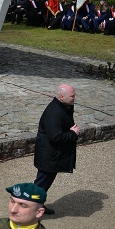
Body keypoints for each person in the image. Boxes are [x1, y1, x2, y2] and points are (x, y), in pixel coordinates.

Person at [33, 84, 79, 215]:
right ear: (61, 96)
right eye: (72, 96)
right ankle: (28, 210)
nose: (75, 98)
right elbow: (55, 137)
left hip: (51, 156)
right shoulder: (55, 112)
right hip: (49, 156)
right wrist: (73, 133)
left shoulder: (63, 107)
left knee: (44, 183)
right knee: (41, 184)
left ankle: (37, 205)